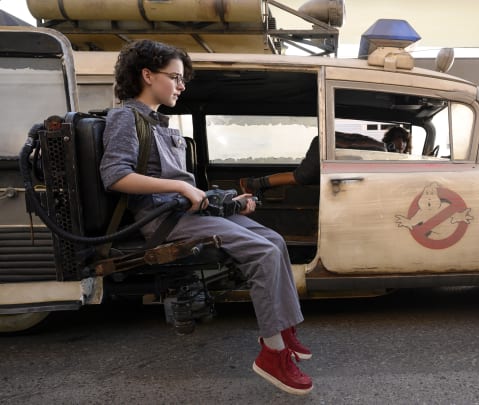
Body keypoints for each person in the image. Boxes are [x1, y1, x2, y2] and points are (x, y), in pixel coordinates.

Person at [99, 40, 313, 395]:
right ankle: (272, 354)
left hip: (185, 210)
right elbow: (115, 175)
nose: (182, 86)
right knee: (261, 252)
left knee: (274, 240)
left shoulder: (156, 121)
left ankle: (284, 328)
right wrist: (182, 190)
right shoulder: (125, 117)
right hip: (163, 219)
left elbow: (185, 188)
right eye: (176, 77)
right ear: (147, 75)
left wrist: (228, 200)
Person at [239, 126, 408, 194]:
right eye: (400, 147)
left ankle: (256, 185)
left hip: (325, 143)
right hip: (323, 144)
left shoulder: (377, 148)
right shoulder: (380, 152)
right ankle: (251, 183)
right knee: (298, 177)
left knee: (303, 179)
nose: (401, 151)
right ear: (392, 144)